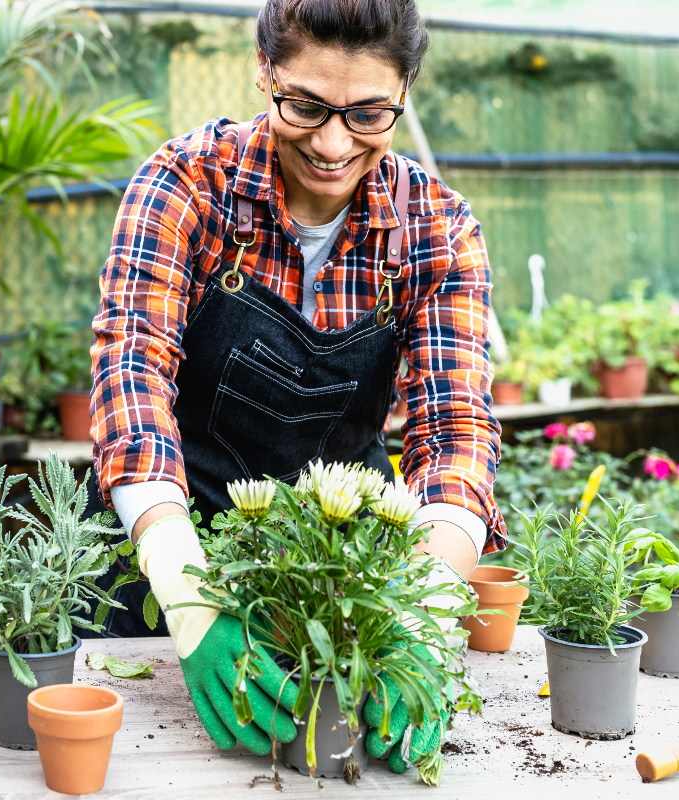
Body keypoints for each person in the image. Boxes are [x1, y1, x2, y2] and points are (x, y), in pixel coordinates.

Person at [85, 0, 506, 774]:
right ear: (265, 72)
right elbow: (131, 378)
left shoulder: (435, 230)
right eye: (305, 105)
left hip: (341, 570)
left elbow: (455, 433)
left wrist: (424, 612)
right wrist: (188, 601)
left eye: (369, 113)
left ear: (405, 91)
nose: (334, 142)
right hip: (173, 547)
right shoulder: (189, 185)